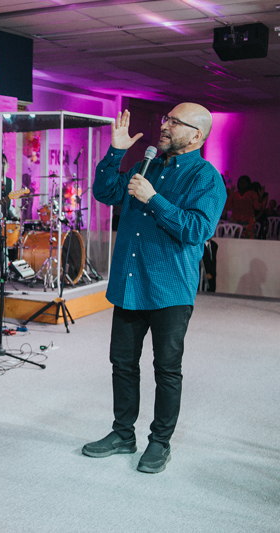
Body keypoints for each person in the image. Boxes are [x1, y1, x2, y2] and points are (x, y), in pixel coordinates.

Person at [85, 104, 226, 474]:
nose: (165, 125)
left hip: (169, 290)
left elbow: (196, 230)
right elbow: (105, 192)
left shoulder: (206, 178)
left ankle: (160, 442)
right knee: (122, 363)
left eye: (175, 122)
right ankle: (122, 434)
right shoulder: (145, 165)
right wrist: (115, 152)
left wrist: (153, 198)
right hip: (130, 285)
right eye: (166, 118)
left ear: (196, 135)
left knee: (166, 369)